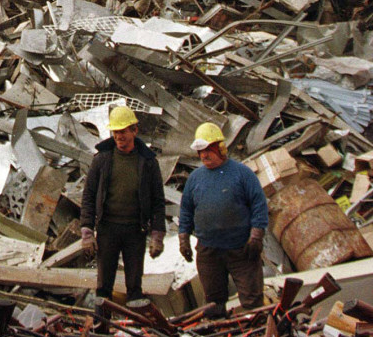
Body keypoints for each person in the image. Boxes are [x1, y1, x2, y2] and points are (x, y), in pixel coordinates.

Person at [179, 122, 268, 315]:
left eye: (208, 150)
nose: (204, 155)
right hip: (209, 252)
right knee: (213, 304)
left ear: (221, 148)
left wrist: (256, 236)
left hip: (241, 250)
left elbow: (259, 205)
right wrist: (183, 238)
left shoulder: (242, 173)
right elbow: (186, 210)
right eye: (200, 151)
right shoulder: (195, 178)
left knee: (252, 302)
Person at [80, 105, 166, 304]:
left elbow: (158, 201)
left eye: (123, 132)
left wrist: (157, 235)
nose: (119, 136)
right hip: (107, 229)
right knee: (103, 287)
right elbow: (89, 196)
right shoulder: (102, 159)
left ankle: (135, 331)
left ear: (134, 130)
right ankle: (101, 328)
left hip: (135, 230)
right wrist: (86, 231)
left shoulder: (148, 162)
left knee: (135, 286)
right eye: (115, 132)